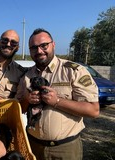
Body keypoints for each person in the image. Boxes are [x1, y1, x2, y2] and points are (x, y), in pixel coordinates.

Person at [15, 28, 100, 160]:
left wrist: (57, 101)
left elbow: (93, 110)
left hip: (65, 149)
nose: (39, 51)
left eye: (44, 45)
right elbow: (19, 108)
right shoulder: (26, 76)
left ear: (53, 44)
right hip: (33, 145)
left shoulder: (73, 71)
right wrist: (27, 99)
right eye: (33, 47)